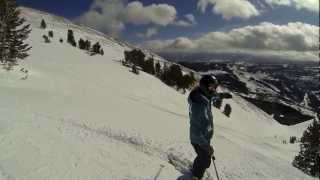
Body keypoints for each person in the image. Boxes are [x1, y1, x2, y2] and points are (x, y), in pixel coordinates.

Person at [188, 75, 232, 180]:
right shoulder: (198, 106)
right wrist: (205, 145)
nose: (214, 90)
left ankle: (195, 169)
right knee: (206, 160)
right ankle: (196, 176)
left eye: (215, 87)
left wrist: (222, 95)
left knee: (202, 158)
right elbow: (195, 131)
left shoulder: (204, 96)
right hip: (199, 139)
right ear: (204, 86)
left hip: (204, 136)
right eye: (212, 87)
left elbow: (213, 95)